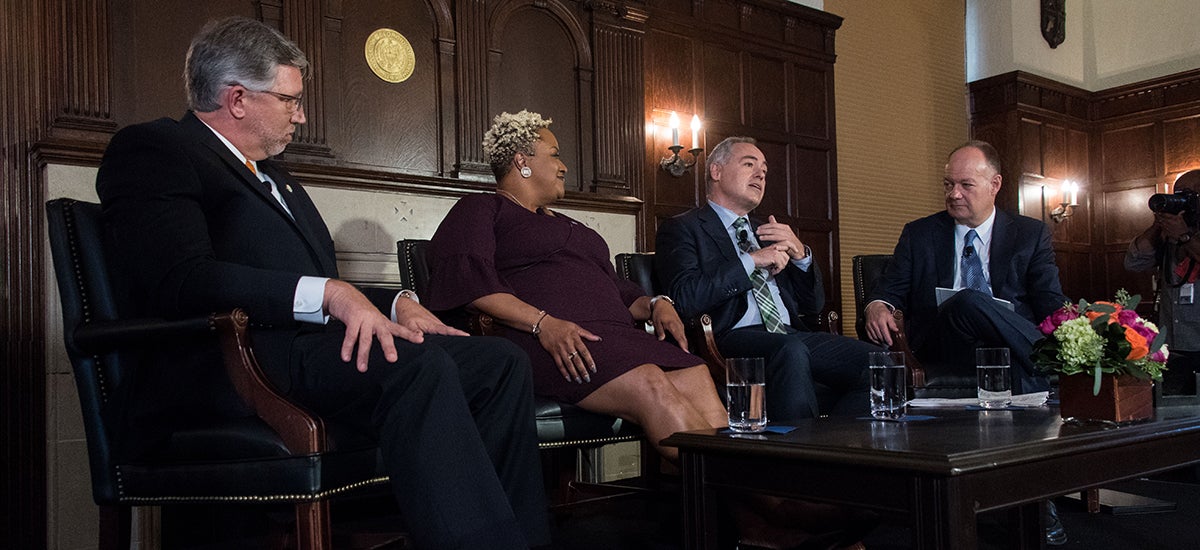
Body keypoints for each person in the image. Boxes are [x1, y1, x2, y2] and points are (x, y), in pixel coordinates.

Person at [95, 17, 549, 549]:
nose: (302, 116)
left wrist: (399, 301)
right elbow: (181, 280)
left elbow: (324, 279)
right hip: (234, 359)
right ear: (237, 99)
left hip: (307, 353)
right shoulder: (156, 149)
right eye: (290, 100)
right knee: (417, 367)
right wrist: (332, 295)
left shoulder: (276, 175)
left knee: (498, 363)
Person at [425, 110, 727, 462]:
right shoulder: (480, 208)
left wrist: (656, 302)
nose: (564, 166)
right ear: (521, 160)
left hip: (616, 336)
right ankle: (755, 501)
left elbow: (615, 288)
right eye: (554, 154)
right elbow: (471, 282)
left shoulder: (572, 226)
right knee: (650, 381)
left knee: (696, 372)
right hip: (551, 341)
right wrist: (543, 323)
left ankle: (744, 508)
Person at [655, 136, 878, 421]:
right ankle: (799, 456)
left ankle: (831, 445)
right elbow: (685, 298)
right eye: (749, 164)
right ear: (716, 171)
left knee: (881, 364)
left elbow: (813, 306)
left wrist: (801, 256)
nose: (761, 173)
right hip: (731, 336)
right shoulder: (684, 228)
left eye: (764, 169)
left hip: (789, 333)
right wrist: (751, 261)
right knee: (791, 350)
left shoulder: (769, 231)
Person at [862, 140, 1068, 395]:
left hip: (1007, 345)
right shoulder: (920, 234)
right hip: (945, 340)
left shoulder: (1029, 234)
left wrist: (1078, 326)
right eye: (948, 184)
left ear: (995, 185)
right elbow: (889, 289)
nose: (954, 194)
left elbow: (1049, 299)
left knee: (1006, 346)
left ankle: (1032, 410)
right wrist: (878, 305)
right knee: (967, 300)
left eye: (965, 185)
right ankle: (1050, 362)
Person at [1126, 169, 1200, 395]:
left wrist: (1185, 236)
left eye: (1188, 194)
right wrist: (1159, 224)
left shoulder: (1182, 236)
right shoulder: (1168, 237)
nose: (1180, 199)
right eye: (1177, 193)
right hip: (1172, 347)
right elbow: (1133, 262)